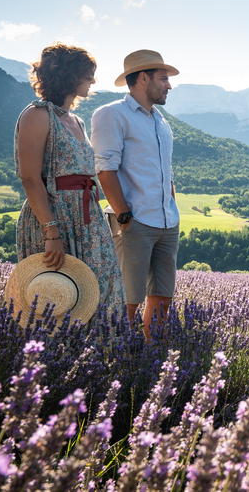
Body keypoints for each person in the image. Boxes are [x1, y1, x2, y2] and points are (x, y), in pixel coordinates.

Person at [14, 43, 125, 314]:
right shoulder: (37, 115)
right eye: (87, 74)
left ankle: (107, 342)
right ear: (68, 75)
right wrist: (51, 231)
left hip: (88, 218)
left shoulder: (77, 121)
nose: (93, 81)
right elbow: (29, 178)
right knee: (59, 298)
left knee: (103, 291)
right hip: (55, 217)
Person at [91, 49, 180, 341]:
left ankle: (151, 353)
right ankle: (118, 353)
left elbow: (166, 170)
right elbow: (105, 168)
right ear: (143, 78)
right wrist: (123, 215)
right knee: (128, 298)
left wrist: (172, 207)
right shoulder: (111, 114)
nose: (169, 85)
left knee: (162, 296)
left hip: (167, 221)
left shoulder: (160, 121)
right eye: (163, 78)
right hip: (135, 221)